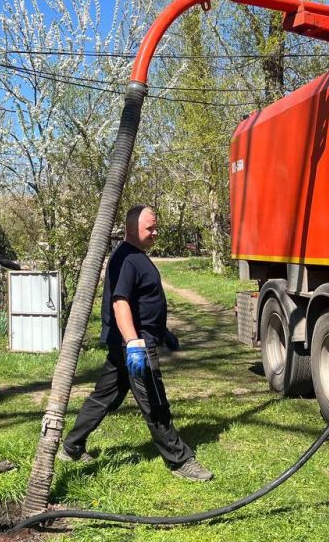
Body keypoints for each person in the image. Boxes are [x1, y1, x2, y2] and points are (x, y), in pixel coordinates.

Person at [60, 205, 214, 482]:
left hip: (132, 342)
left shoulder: (133, 255)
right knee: (154, 401)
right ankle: (180, 460)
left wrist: (163, 331)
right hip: (135, 346)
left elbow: (143, 302)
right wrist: (134, 343)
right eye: (149, 228)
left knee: (104, 397)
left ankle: (72, 446)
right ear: (132, 229)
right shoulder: (128, 259)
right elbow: (121, 303)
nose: (155, 233)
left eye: (156, 228)